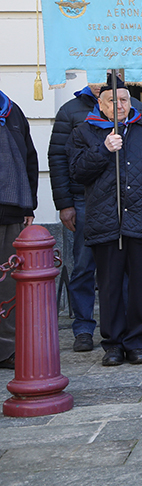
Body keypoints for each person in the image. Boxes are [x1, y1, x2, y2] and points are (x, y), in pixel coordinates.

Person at [68, 79, 142, 366]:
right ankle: (113, 344)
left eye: (123, 99)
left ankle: (137, 342)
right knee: (109, 286)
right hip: (106, 221)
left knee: (140, 285)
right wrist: (103, 149)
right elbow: (77, 172)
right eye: (112, 101)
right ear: (100, 104)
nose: (119, 106)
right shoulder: (84, 132)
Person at [48, 81, 142, 353]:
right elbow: (58, 158)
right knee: (83, 266)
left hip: (127, 202)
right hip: (85, 200)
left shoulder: (134, 107)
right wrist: (64, 202)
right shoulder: (70, 111)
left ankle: (124, 329)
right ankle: (83, 327)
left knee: (122, 269)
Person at [0, 89, 39, 370]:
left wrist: (29, 206)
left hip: (13, 211)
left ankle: (7, 350)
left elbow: (30, 160)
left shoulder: (12, 111)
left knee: (9, 284)